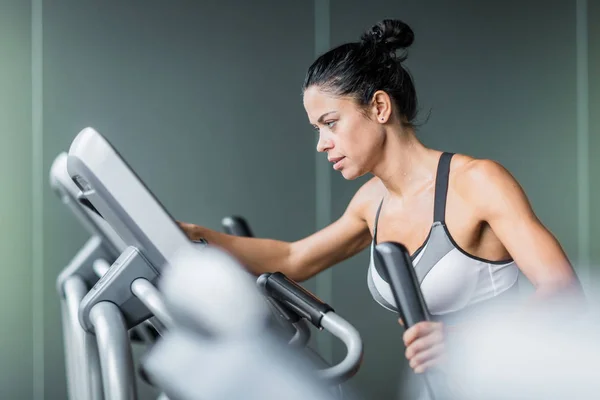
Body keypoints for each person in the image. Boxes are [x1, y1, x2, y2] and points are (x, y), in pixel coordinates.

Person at [178, 19, 582, 382]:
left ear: (380, 106)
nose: (322, 144)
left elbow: (563, 292)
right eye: (317, 129)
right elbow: (293, 259)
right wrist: (196, 235)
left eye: (330, 123)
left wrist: (460, 339)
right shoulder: (371, 201)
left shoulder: (476, 182)